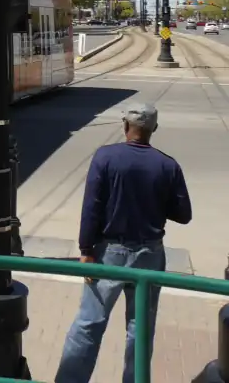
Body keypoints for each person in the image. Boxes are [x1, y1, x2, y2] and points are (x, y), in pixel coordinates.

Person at [54, 103, 192, 383]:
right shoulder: (167, 165)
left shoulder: (105, 157)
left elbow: (91, 207)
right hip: (150, 255)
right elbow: (183, 215)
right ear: (153, 129)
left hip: (109, 254)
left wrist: (86, 251)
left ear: (125, 126)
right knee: (140, 329)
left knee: (89, 323)